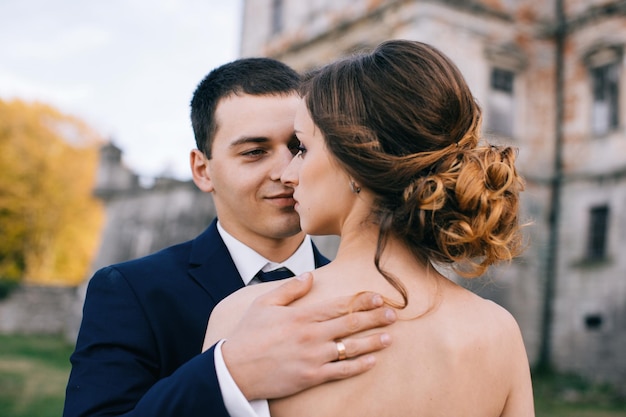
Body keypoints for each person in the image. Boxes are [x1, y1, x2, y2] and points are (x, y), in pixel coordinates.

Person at [205, 40, 535, 416]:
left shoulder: (246, 319)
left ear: (356, 161)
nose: (288, 174)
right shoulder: (498, 332)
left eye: (303, 148)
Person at [63, 57, 397, 417]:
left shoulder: (367, 296)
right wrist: (228, 374)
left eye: (299, 147)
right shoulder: (132, 292)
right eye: (255, 152)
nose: (287, 171)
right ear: (202, 170)